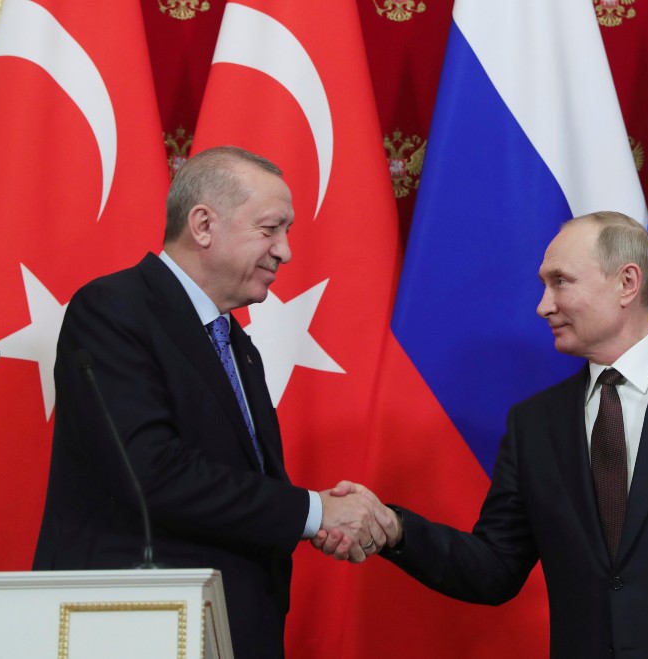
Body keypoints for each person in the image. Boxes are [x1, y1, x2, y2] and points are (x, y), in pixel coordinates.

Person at [317, 211, 648, 657]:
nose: (543, 305)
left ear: (627, 283)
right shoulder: (534, 424)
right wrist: (396, 528)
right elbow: (494, 568)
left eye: (560, 281)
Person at [33, 146, 396, 658]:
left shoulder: (236, 344)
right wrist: (316, 512)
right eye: (270, 229)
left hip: (230, 624)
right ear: (203, 225)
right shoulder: (114, 309)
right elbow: (151, 470)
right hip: (133, 624)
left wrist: (321, 516)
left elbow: (245, 483)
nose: (285, 251)